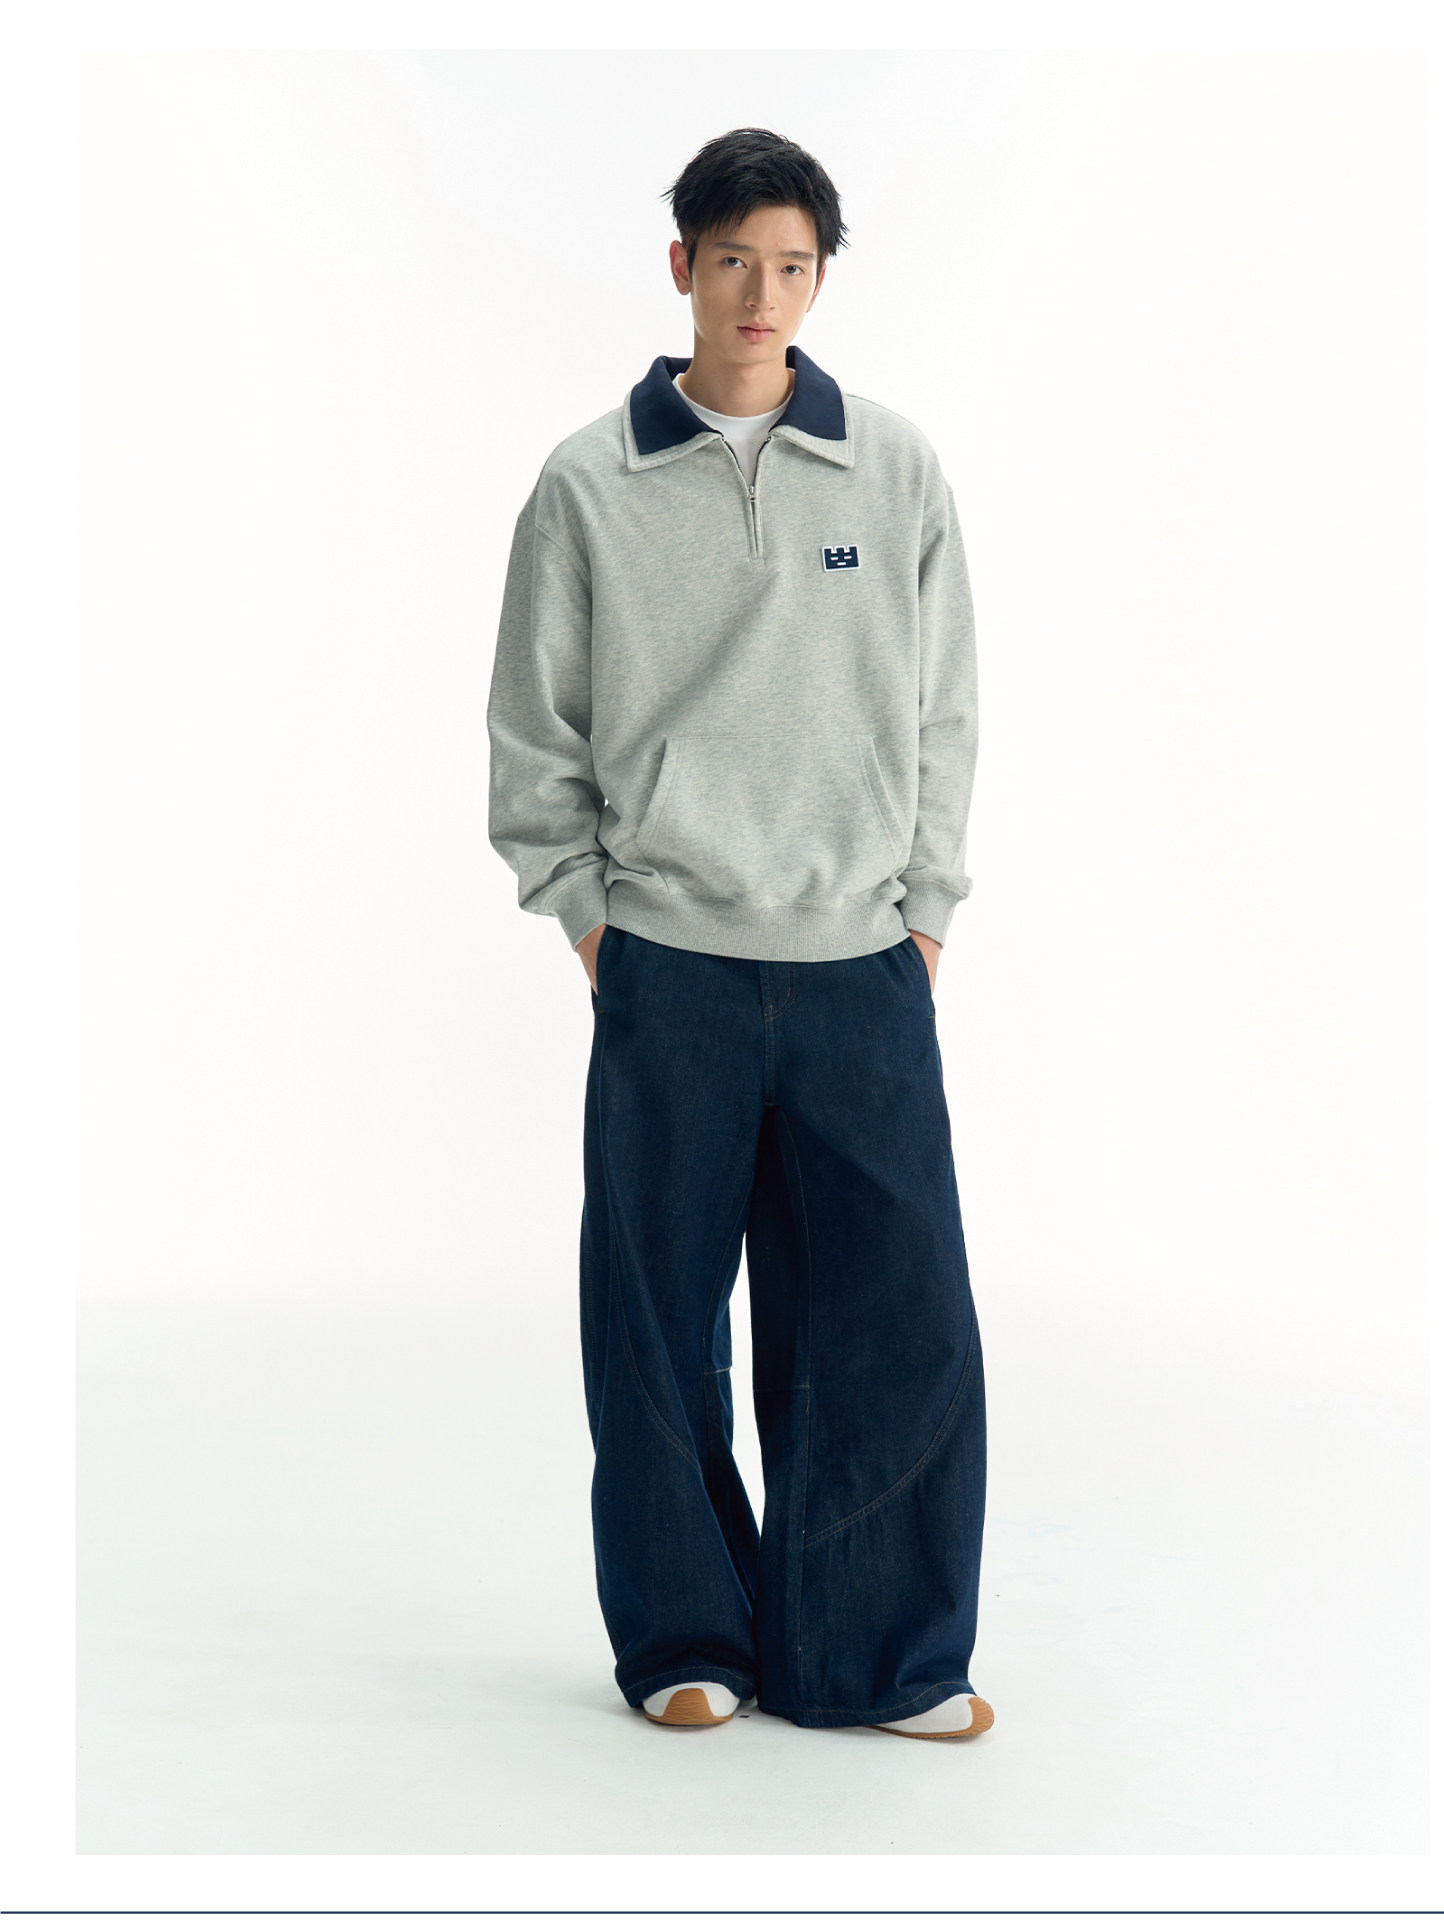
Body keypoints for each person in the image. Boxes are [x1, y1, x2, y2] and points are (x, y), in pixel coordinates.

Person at [486, 127, 990, 1740]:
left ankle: (880, 1655)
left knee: (892, 1320)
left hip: (860, 963)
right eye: (731, 262)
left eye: (790, 265)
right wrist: (593, 922)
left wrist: (923, 911)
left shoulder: (892, 469)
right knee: (656, 1317)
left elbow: (945, 711)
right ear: (682, 268)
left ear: (819, 278)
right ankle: (686, 1639)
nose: (759, 294)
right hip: (669, 962)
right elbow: (533, 731)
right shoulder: (588, 481)